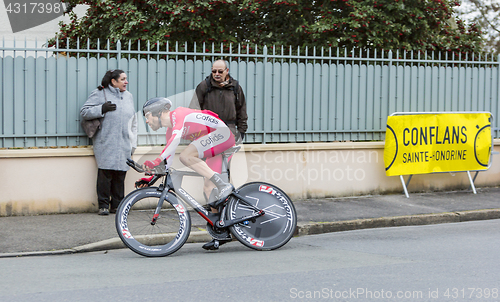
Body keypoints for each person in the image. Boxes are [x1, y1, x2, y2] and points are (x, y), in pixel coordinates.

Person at [139, 97, 235, 250]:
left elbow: (176, 139)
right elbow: (167, 161)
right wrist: (150, 178)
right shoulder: (170, 131)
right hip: (212, 144)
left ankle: (223, 184)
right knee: (208, 189)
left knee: (186, 156)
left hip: (221, 134)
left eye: (147, 116)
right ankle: (221, 231)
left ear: (157, 112)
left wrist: (156, 160)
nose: (146, 121)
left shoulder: (178, 114)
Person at [189, 59, 248, 205]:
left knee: (225, 172)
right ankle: (211, 205)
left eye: (220, 71)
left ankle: (225, 206)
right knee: (209, 173)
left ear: (227, 71)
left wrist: (240, 133)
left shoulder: (235, 88)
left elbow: (242, 111)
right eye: (214, 71)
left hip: (229, 134)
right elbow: (194, 110)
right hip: (209, 136)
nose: (216, 74)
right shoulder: (204, 86)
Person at [80, 69, 138, 215]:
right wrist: (101, 109)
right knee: (105, 174)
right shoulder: (100, 93)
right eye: (123, 79)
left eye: (126, 79)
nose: (126, 82)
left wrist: (133, 143)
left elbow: (134, 122)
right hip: (106, 142)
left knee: (120, 175)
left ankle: (117, 205)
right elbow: (84, 112)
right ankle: (103, 205)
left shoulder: (129, 96)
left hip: (124, 142)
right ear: (113, 81)